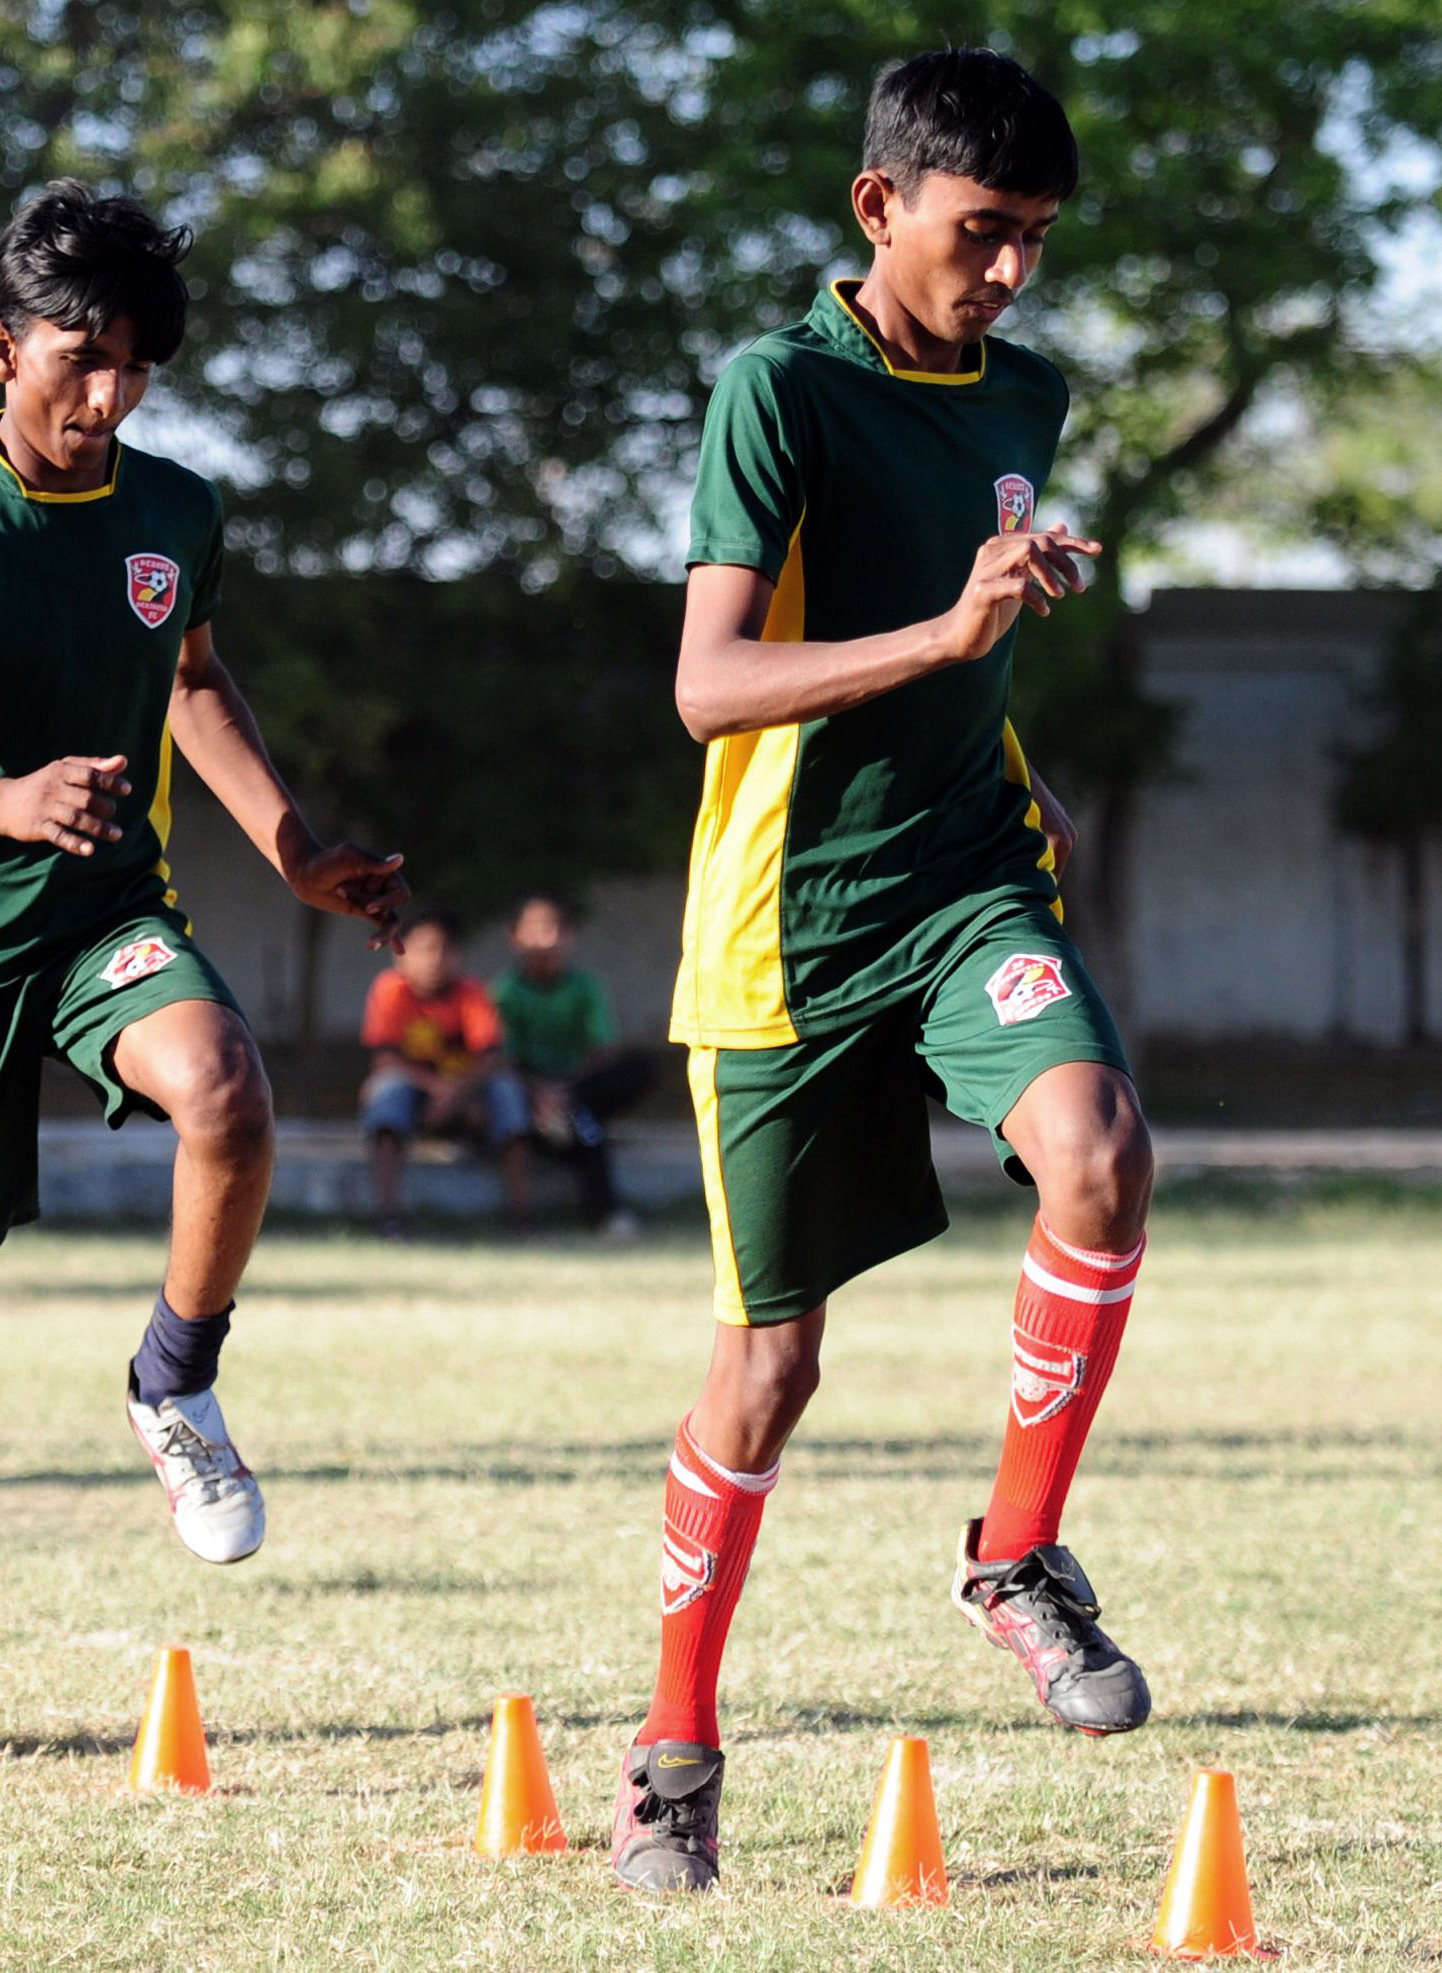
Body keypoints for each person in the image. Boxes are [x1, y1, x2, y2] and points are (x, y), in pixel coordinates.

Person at [0, 181, 406, 1766]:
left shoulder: (173, 513)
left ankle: (175, 1380)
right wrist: (3, 800)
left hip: (105, 915)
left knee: (229, 1090)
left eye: (136, 372)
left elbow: (192, 680)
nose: (107, 398)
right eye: (80, 361)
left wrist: (297, 848)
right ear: (3, 348)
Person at [612, 50, 1153, 1895]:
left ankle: (1016, 1555)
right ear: (880, 209)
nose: (1010, 277)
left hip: (968, 885)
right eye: (981, 235)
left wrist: (1007, 686)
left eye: (1037, 245)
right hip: (783, 934)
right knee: (768, 1368)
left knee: (1099, 1149)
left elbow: (969, 619)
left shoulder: (1030, 395)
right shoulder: (778, 394)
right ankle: (675, 1748)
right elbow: (707, 688)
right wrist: (944, 631)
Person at [359, 904, 530, 1236]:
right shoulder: (390, 990)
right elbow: (385, 1059)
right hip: (419, 1095)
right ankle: (389, 1215)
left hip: (467, 1097)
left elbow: (492, 1057)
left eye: (445, 949)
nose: (435, 959)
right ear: (400, 955)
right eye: (425, 949)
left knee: (507, 1091)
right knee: (387, 1092)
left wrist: (457, 1093)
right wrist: (440, 1089)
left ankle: (521, 1215)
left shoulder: (472, 992)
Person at [493, 891, 655, 1235]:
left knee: (640, 1067)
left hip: (578, 1086)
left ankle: (567, 1115)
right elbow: (500, 1060)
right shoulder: (505, 992)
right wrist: (540, 1095)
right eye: (536, 929)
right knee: (581, 1124)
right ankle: (605, 1213)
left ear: (570, 936)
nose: (547, 939)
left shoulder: (585, 986)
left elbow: (603, 1052)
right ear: (515, 937)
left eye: (556, 929)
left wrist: (566, 1092)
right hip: (528, 1091)